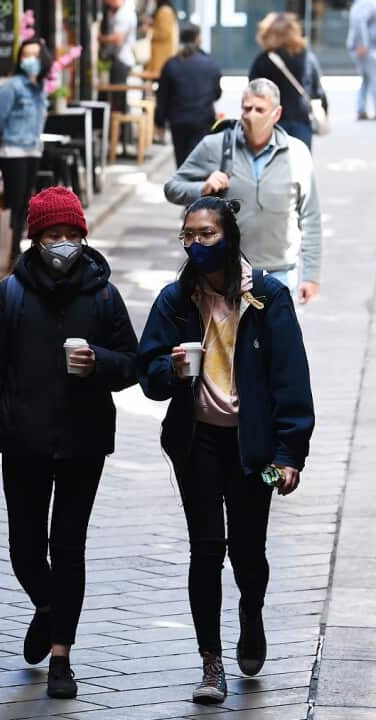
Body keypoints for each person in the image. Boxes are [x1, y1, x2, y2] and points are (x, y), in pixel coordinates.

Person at [0, 187, 139, 700]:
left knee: (69, 548)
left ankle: (62, 657)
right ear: (35, 239)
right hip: (23, 442)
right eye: (52, 236)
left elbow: (133, 364)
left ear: (84, 236)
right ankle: (50, 606)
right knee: (26, 548)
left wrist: (100, 362)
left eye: (70, 235)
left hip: (84, 442)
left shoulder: (103, 294)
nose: (62, 244)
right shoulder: (10, 295)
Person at [137, 196, 313, 705]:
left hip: (252, 447)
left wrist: (289, 452)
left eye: (206, 234)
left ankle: (251, 617)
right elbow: (147, 373)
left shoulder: (268, 297)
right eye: (188, 235)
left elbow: (291, 380)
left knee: (249, 552)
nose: (195, 244)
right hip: (197, 443)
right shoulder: (176, 300)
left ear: (229, 236)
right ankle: (211, 663)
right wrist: (168, 369)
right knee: (207, 550)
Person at [164, 80, 322, 304]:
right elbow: (172, 187)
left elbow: (311, 216)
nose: (251, 115)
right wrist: (202, 187)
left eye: (260, 110)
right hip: (225, 274)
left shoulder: (297, 153)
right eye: (247, 108)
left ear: (276, 114)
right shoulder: (215, 146)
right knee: (228, 340)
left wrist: (311, 276)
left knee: (279, 339)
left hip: (281, 273)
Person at [0, 40, 51, 260]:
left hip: (33, 149)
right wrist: (2, 138)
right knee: (13, 201)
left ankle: (18, 247)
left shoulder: (41, 87)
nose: (30, 60)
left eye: (35, 55)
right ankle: (11, 250)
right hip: (13, 150)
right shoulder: (12, 86)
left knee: (26, 201)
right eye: (25, 55)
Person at [249, 12, 327, 149]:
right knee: (301, 165)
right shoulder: (306, 58)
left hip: (271, 123)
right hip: (301, 121)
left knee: (272, 167)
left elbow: (252, 94)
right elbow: (318, 91)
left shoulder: (263, 61)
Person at [156, 23, 223, 167]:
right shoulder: (210, 63)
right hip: (203, 119)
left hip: (178, 121)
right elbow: (217, 93)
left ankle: (184, 188)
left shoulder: (171, 64)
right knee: (201, 163)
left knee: (182, 163)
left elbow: (162, 96)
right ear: (198, 38)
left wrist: (159, 122)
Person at [100, 0, 138, 112]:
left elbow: (118, 39)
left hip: (121, 60)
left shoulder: (124, 13)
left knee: (119, 101)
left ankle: (121, 128)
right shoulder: (121, 12)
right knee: (118, 100)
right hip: (121, 59)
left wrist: (99, 38)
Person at [348, 0, 376, 120]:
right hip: (366, 48)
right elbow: (359, 21)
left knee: (366, 79)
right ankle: (362, 110)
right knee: (373, 78)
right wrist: (364, 44)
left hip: (363, 47)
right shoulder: (367, 3)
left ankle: (361, 110)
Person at [146, 0, 179, 76]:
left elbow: (164, 34)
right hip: (161, 56)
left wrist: (148, 32)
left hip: (161, 57)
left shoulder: (165, 11)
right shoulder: (164, 10)